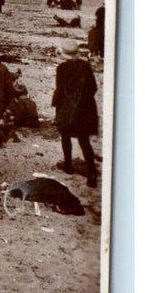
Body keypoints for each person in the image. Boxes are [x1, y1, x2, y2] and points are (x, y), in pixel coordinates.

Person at [52, 39, 99, 188]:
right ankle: (91, 173)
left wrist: (57, 106)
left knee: (65, 136)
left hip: (67, 106)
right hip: (85, 107)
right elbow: (93, 87)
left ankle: (68, 165)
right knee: (84, 140)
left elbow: (59, 89)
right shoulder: (85, 66)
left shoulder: (62, 68)